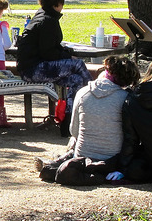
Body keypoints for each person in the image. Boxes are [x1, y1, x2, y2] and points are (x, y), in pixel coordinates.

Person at [35, 56, 140, 185]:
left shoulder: (83, 92)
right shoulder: (126, 98)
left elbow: (74, 131)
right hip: (112, 159)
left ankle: (54, 164)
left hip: (82, 155)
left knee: (76, 140)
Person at [16, 0, 92, 137]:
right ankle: (93, 95)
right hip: (34, 69)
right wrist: (68, 57)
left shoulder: (40, 16)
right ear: (57, 4)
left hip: (31, 67)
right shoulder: (48, 21)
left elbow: (49, 47)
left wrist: (65, 53)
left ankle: (68, 121)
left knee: (76, 80)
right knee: (79, 65)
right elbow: (49, 52)